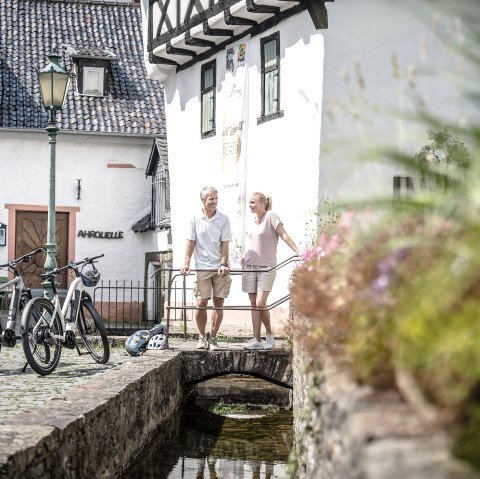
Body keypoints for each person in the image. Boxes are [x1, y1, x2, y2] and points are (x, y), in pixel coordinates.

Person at [242, 192, 299, 350]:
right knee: (253, 303)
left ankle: (268, 333)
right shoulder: (252, 221)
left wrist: (297, 251)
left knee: (260, 303)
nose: (250, 205)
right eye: (249, 202)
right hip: (249, 265)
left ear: (262, 203)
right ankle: (256, 339)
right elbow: (252, 243)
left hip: (267, 266)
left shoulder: (271, 216)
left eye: (253, 202)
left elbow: (284, 235)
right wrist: (243, 256)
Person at [180, 186, 232, 351]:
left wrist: (224, 263)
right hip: (202, 267)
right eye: (211, 199)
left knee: (219, 302)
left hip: (219, 268)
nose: (214, 202)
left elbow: (225, 244)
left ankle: (214, 338)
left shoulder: (223, 219)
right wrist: (186, 263)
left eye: (216, 198)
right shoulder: (195, 219)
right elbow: (190, 243)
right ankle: (202, 337)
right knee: (201, 303)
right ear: (203, 200)